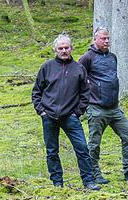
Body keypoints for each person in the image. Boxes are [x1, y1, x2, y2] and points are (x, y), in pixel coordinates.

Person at [78, 27, 128, 184]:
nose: (106, 41)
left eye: (108, 38)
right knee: (94, 144)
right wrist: (83, 102)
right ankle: (94, 174)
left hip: (114, 108)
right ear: (95, 39)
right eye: (103, 38)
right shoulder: (87, 58)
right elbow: (78, 78)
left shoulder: (112, 57)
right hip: (96, 108)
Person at [32, 34, 99, 190]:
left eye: (66, 48)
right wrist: (41, 110)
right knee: (52, 151)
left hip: (70, 117)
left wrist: (77, 112)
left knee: (82, 148)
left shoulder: (79, 68)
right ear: (55, 50)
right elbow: (37, 91)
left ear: (71, 48)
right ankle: (57, 182)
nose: (64, 51)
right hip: (48, 116)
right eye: (60, 48)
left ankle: (88, 181)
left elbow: (85, 93)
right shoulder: (46, 67)